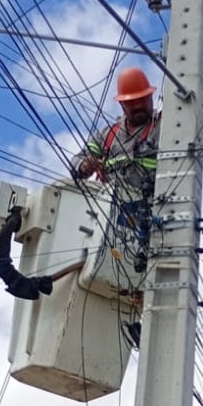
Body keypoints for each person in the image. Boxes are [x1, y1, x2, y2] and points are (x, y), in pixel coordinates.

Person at [72, 66, 160, 273]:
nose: (138, 106)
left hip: (148, 214)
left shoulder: (163, 126)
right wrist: (84, 166)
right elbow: (77, 160)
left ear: (151, 99)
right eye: (132, 103)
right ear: (121, 104)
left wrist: (202, 108)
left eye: (143, 100)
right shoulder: (108, 135)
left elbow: (195, 137)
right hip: (109, 216)